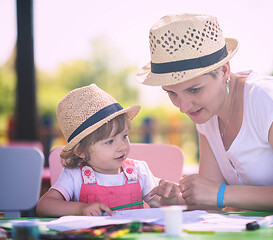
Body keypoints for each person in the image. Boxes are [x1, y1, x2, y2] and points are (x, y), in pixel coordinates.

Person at [136, 13, 273, 212]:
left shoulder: (266, 98)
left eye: (194, 89)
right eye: (171, 93)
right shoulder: (205, 113)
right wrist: (176, 200)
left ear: (224, 70)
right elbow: (210, 199)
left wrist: (221, 193)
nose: (183, 107)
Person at [36, 84, 181, 217]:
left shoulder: (139, 171)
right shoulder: (74, 176)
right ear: (81, 151)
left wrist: (169, 198)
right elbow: (44, 206)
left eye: (124, 136)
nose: (122, 146)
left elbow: (161, 207)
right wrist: (80, 209)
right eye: (110, 141)